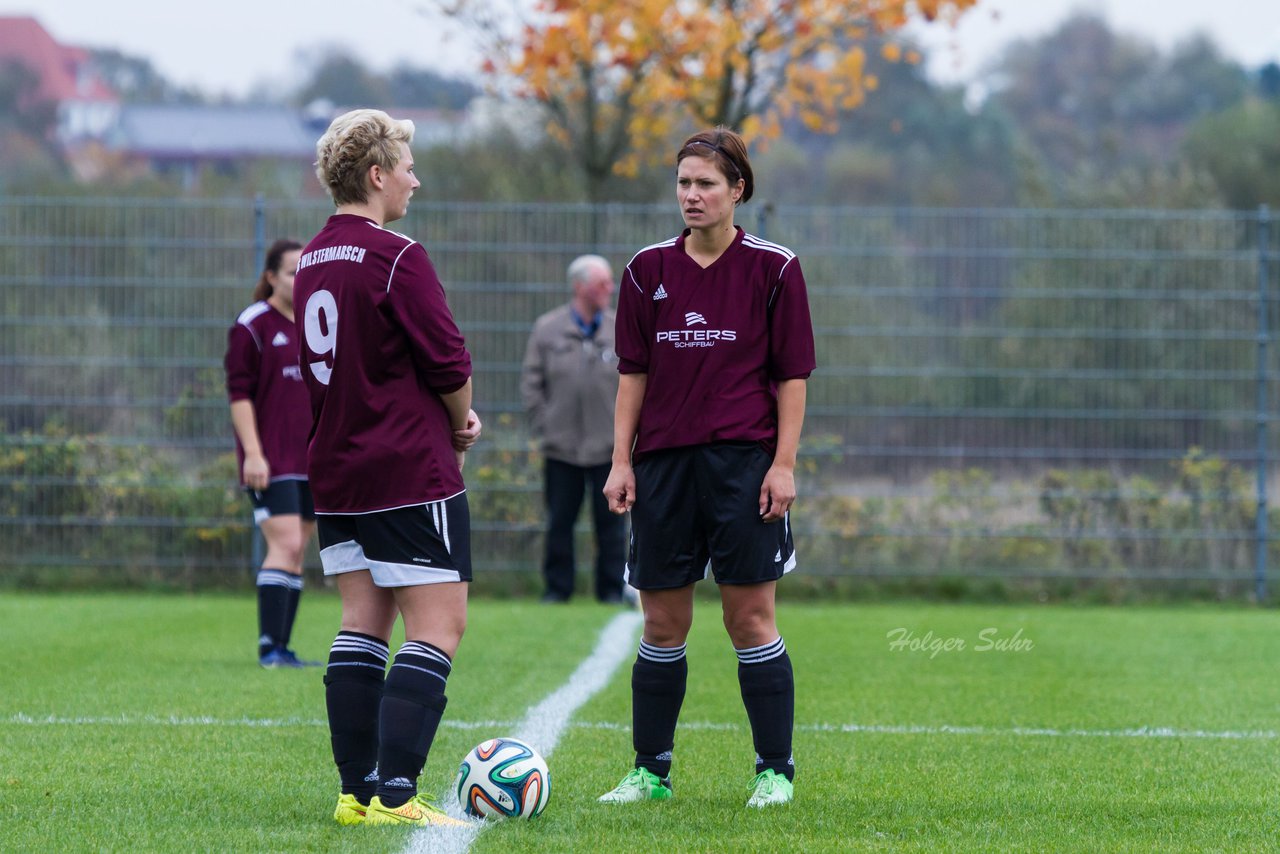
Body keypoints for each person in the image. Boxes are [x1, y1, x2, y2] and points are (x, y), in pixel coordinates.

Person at [598, 127, 815, 809]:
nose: (692, 195)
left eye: (706, 184)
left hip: (744, 465)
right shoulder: (645, 271)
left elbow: (792, 378)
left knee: (749, 618)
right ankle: (649, 772)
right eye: (684, 183)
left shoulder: (775, 269)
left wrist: (782, 464)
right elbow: (632, 375)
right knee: (662, 624)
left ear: (738, 190)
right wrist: (620, 461)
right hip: (663, 467)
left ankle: (773, 771)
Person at [294, 108, 481, 828]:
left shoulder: (310, 259)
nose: (415, 178)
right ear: (376, 176)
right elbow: (449, 362)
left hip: (337, 471)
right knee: (437, 628)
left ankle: (354, 794)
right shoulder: (397, 254)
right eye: (406, 165)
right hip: (407, 467)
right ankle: (397, 794)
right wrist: (460, 420)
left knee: (360, 622)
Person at [224, 238, 321, 669]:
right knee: (283, 544)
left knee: (298, 547)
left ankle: (283, 647)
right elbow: (239, 394)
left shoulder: (315, 322)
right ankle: (269, 648)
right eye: (292, 272)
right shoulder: (253, 324)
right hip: (272, 460)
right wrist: (254, 455)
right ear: (271, 277)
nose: (300, 280)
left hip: (312, 461)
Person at [520, 254, 629, 604]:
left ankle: (611, 589)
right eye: (602, 283)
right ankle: (557, 589)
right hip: (561, 447)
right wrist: (545, 423)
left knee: (611, 525)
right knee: (559, 523)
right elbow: (531, 383)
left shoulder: (619, 329)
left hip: (608, 449)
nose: (609, 289)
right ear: (579, 286)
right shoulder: (547, 328)